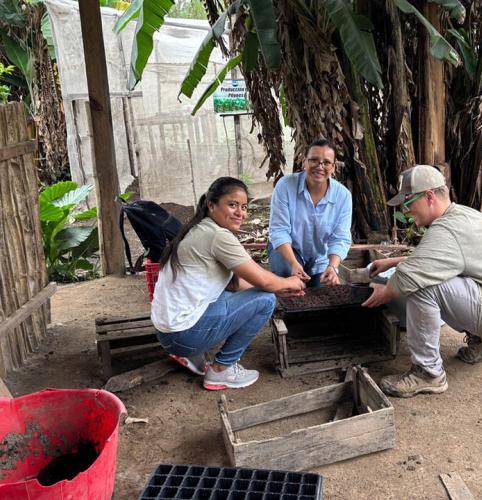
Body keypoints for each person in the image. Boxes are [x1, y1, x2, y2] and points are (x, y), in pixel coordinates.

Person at [362, 165, 482, 398]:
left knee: (421, 286)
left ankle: (428, 374)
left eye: (408, 202)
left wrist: (379, 293)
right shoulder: (459, 216)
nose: (406, 210)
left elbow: (411, 277)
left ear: (429, 196)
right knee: (429, 275)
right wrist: (393, 262)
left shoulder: (448, 229)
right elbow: (440, 259)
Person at [151, 177, 305, 391]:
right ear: (212, 205)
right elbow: (262, 280)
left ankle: (192, 355)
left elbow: (236, 284)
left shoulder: (200, 229)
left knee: (243, 295)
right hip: (181, 336)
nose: (240, 213)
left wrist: (279, 287)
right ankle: (221, 370)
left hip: (168, 333)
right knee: (266, 301)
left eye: (244, 207)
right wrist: (288, 282)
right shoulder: (217, 236)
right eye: (232, 205)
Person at [268, 139, 353, 287]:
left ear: (333, 167)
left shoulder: (343, 195)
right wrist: (294, 264)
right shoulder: (285, 186)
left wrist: (332, 266)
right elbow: (279, 231)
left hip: (320, 258)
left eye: (326, 162)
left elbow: (340, 237)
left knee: (322, 292)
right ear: (304, 162)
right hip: (288, 251)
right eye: (314, 160)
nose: (320, 167)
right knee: (287, 274)